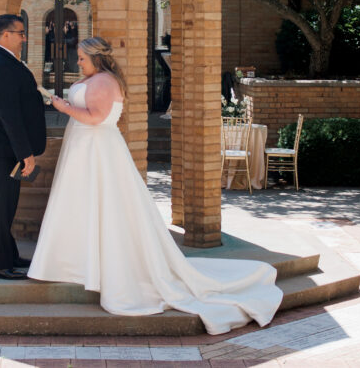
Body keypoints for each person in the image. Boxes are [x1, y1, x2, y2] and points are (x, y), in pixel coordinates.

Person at [28, 36, 282, 335]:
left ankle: (104, 267)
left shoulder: (106, 82)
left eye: (82, 58)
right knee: (79, 204)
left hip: (98, 149)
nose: (78, 62)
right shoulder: (97, 79)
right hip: (82, 147)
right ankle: (75, 263)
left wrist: (62, 106)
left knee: (104, 204)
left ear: (96, 58)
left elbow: (96, 118)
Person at [0, 14, 47, 280]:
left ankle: (9, 255)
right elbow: (8, 113)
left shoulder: (1, 59)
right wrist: (25, 153)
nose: (24, 38)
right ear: (5, 35)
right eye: (20, 33)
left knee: (7, 204)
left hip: (2, 145)